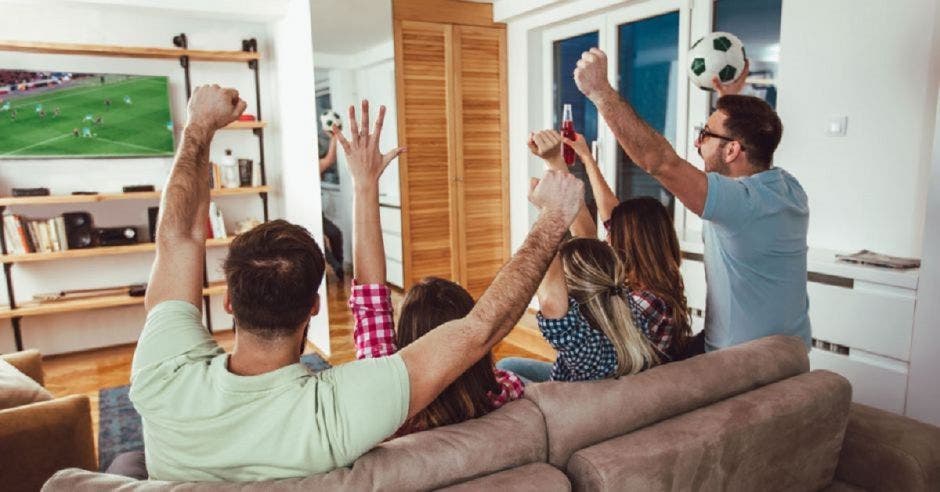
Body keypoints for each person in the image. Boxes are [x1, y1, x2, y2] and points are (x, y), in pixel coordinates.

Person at [129, 86, 584, 481]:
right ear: (314, 306)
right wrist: (555, 218)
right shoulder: (341, 410)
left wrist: (198, 129)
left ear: (228, 301)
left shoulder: (161, 376)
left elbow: (177, 235)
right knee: (522, 371)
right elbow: (479, 329)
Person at [573, 48, 810, 354]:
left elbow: (659, 161)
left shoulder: (739, 204)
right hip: (791, 348)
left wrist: (600, 92)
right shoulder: (788, 188)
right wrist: (731, 98)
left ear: (732, 150)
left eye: (705, 134)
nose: (698, 142)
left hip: (742, 360)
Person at [344, 104, 523, 433]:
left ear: (405, 338)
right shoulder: (504, 389)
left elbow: (369, 301)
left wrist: (363, 185)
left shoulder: (385, 403)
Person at [499, 236, 662, 383]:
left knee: (503, 376)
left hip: (564, 402)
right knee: (508, 364)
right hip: (581, 381)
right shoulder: (627, 304)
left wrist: (549, 226)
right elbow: (591, 258)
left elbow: (550, 301)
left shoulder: (587, 349)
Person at [318, 129, 344, 281]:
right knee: (319, 241)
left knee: (335, 233)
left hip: (319, 215)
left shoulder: (314, 164)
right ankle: (336, 266)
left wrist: (334, 138)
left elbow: (330, 159)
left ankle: (339, 266)